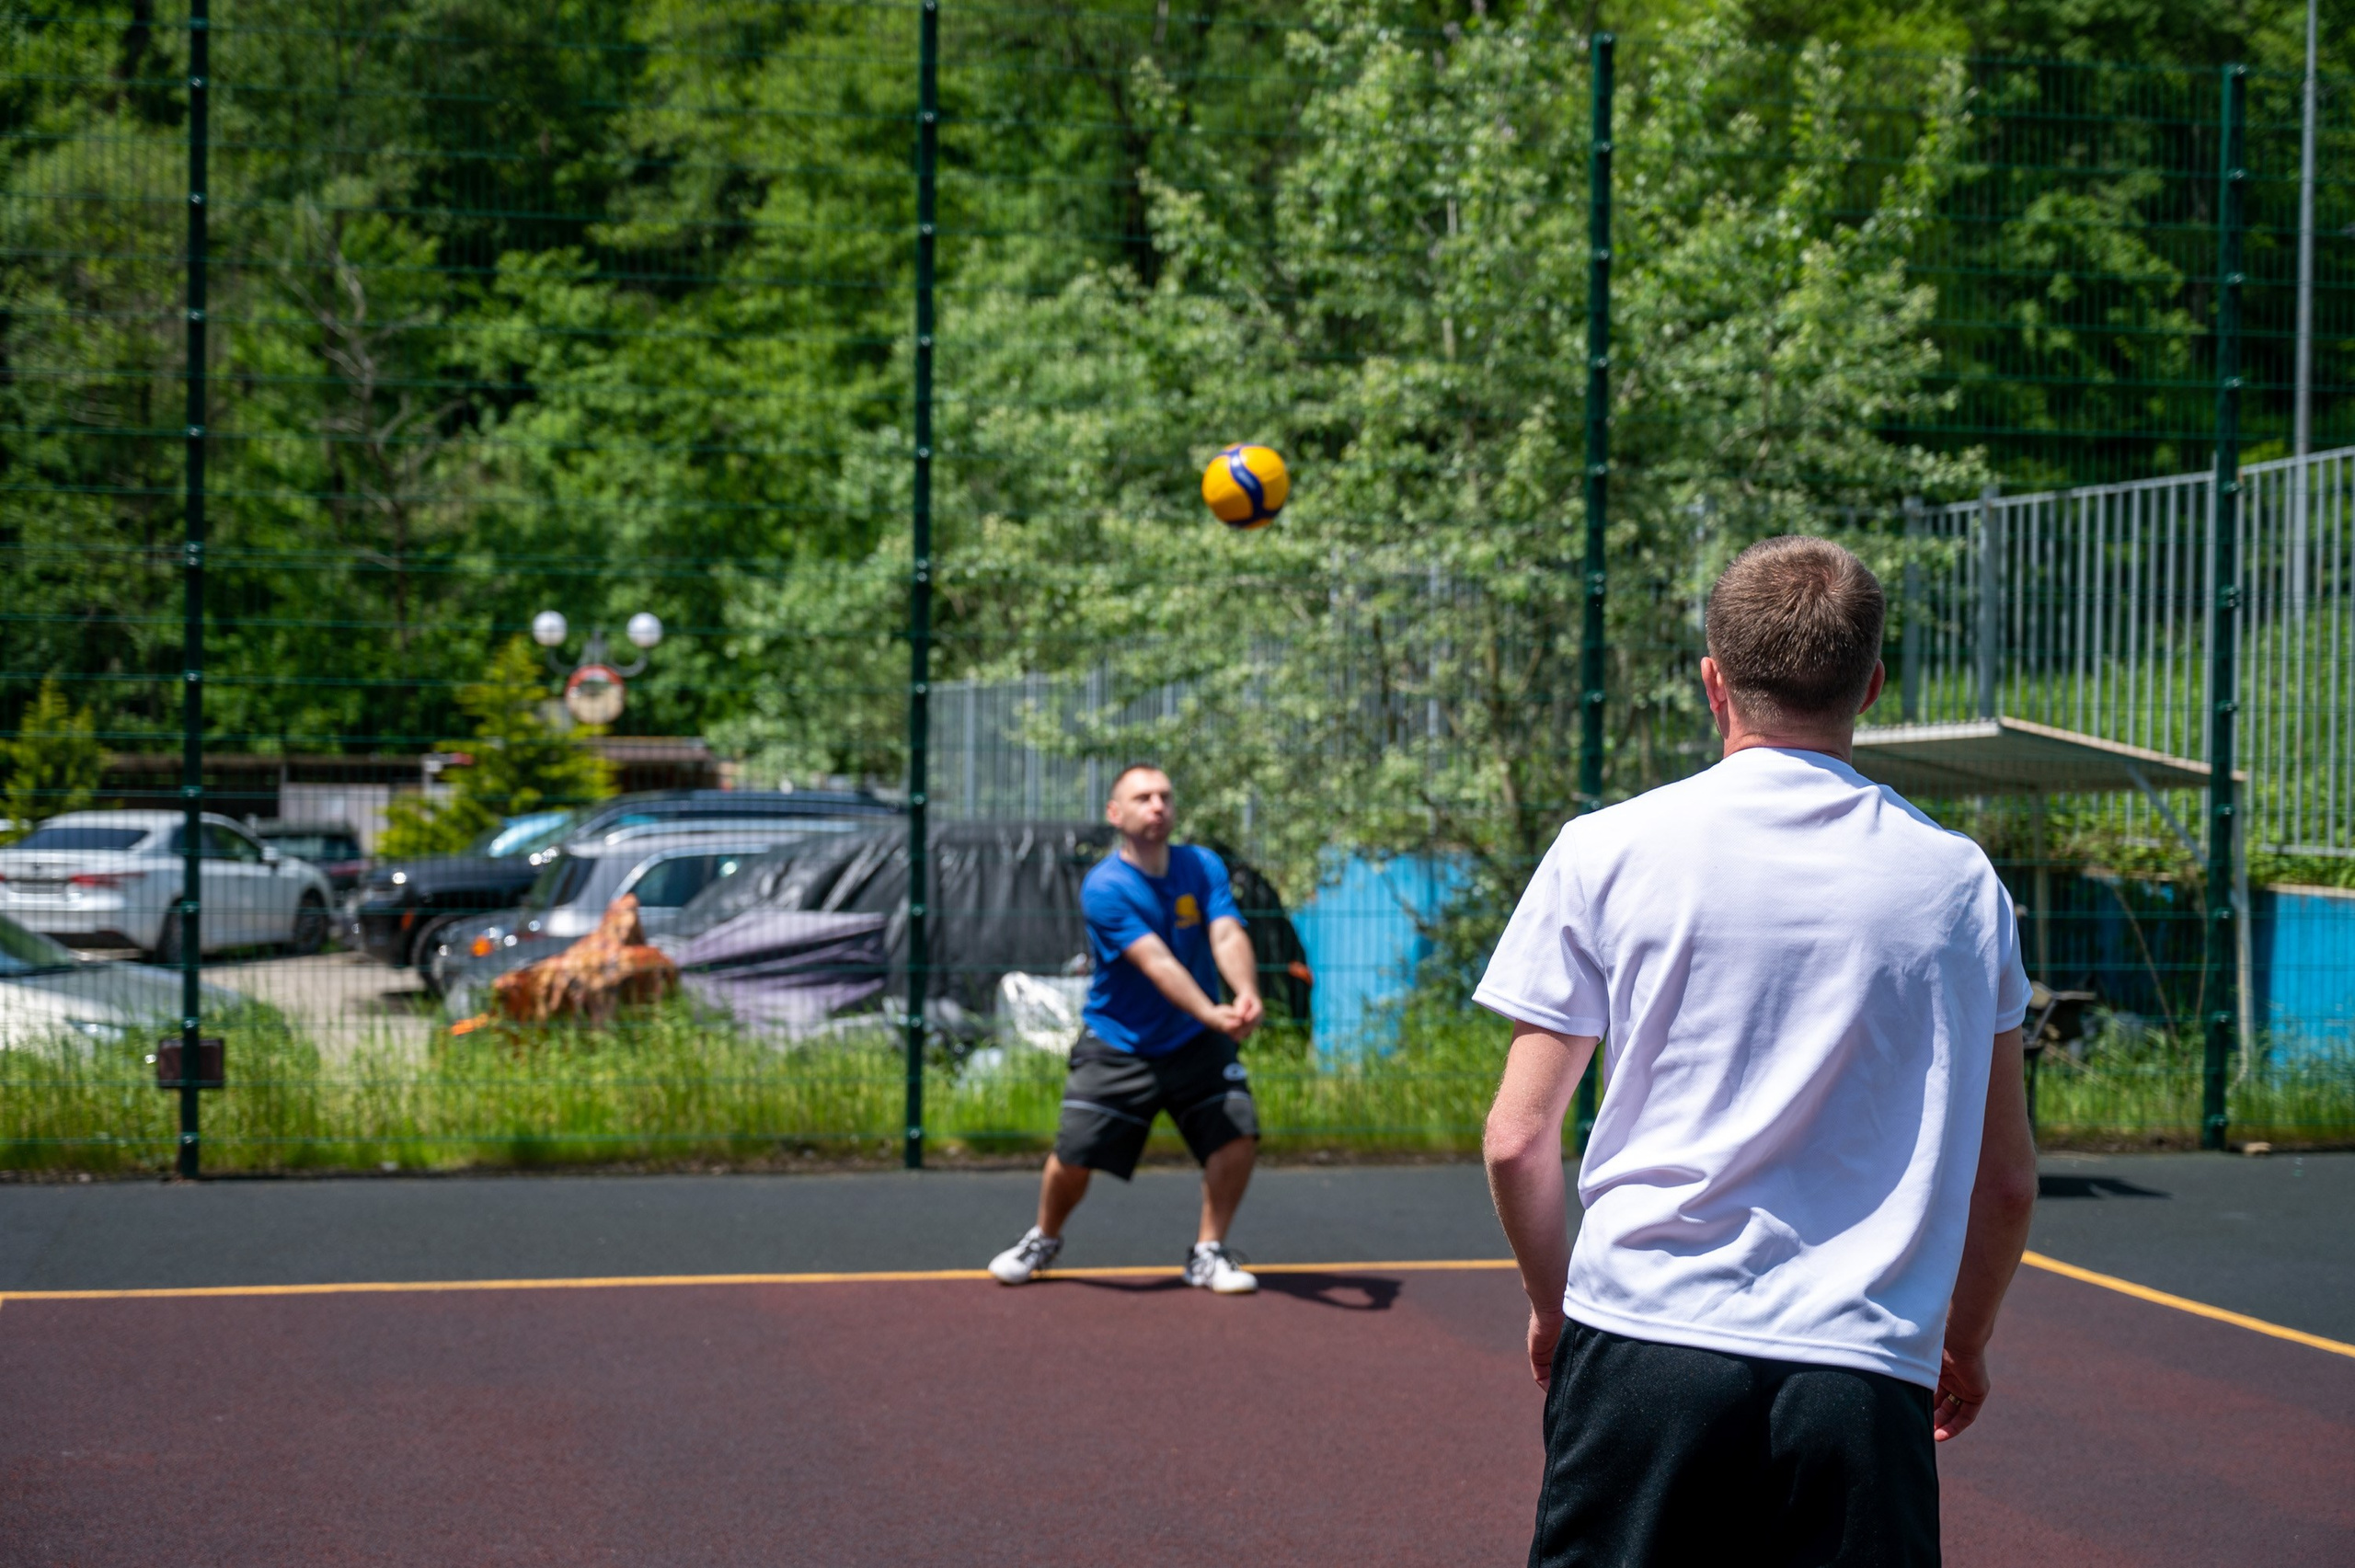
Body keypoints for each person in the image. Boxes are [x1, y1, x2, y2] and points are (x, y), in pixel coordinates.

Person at [1478, 535, 2040, 1567]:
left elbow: (1519, 1140)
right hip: (1863, 1365)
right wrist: (1962, 1337)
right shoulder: (1961, 885)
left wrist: (1556, 1307)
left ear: (1711, 680)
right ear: (1871, 684)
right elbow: (2004, 1179)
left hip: (1644, 1340)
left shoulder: (1606, 848)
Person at [989, 763, 1266, 1294]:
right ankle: (1043, 1238)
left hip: (1194, 1043)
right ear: (1116, 814)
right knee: (1073, 1156)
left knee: (1238, 1133)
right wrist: (1212, 1012)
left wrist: (1245, 992)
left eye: (1164, 796)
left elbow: (1227, 932)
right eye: (1143, 798)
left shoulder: (1201, 864)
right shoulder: (1106, 887)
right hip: (1119, 1043)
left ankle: (1208, 1253)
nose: (1157, 805)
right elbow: (1157, 962)